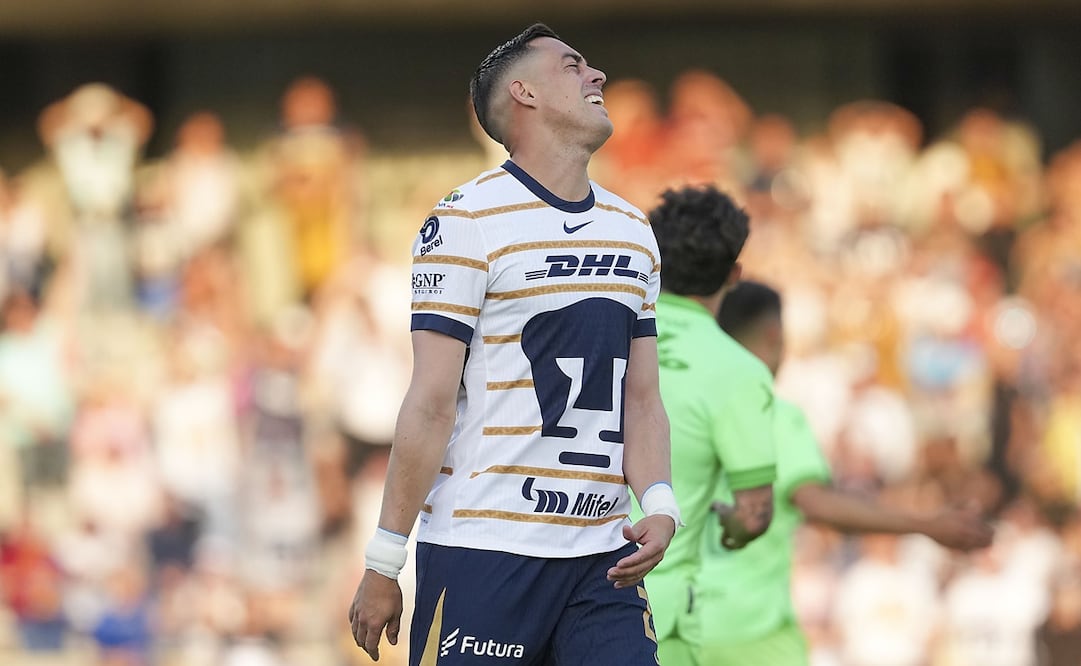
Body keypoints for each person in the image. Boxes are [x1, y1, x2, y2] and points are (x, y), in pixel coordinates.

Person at [347, 23, 678, 665]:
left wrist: (660, 504)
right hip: (483, 551)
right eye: (573, 65)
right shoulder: (463, 221)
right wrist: (385, 560)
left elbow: (640, 398)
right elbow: (431, 402)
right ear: (523, 92)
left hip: (601, 561)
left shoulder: (633, 230)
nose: (597, 75)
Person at [691, 279, 994, 666]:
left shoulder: (672, 406)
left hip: (678, 629)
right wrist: (925, 524)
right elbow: (819, 505)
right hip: (755, 637)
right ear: (774, 336)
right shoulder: (777, 419)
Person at [639, 186, 778, 666]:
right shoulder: (739, 371)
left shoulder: (605, 335)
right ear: (734, 275)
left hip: (565, 594)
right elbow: (754, 512)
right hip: (659, 612)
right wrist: (733, 528)